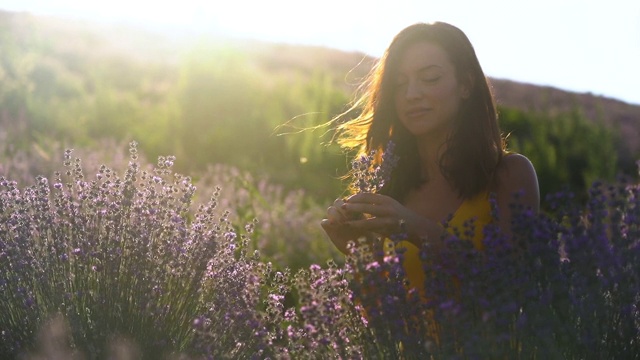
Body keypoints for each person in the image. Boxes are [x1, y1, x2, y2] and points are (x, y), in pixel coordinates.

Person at [320, 22, 539, 290]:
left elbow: (514, 286)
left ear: (466, 85)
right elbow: (386, 314)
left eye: (430, 78)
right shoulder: (388, 184)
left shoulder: (508, 174)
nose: (411, 94)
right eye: (400, 84)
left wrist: (414, 229)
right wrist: (363, 252)